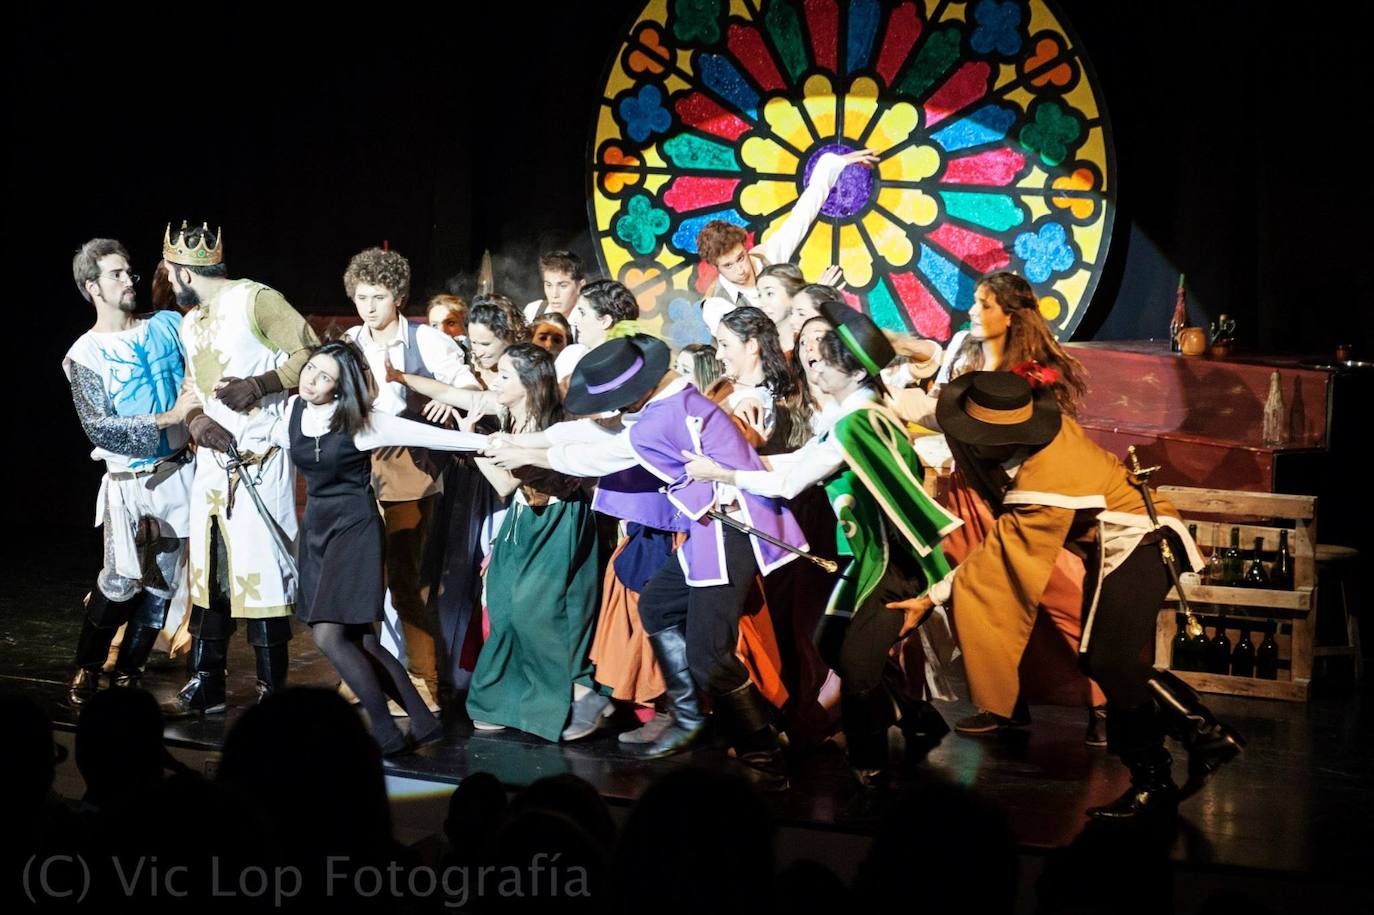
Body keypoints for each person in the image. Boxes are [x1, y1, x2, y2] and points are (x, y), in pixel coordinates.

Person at [890, 372, 1245, 818]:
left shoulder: (1046, 479)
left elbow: (994, 558)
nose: (970, 444)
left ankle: (1159, 775)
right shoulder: (1039, 437)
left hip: (1142, 542)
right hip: (1125, 542)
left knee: (1107, 661)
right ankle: (1201, 736)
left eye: (976, 437)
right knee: (1102, 659)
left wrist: (929, 599)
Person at [484, 336, 806, 787]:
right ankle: (690, 716)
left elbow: (599, 453)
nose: (604, 410)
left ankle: (763, 756)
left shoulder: (663, 419)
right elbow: (595, 434)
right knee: (657, 605)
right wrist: (530, 441)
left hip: (732, 528)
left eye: (609, 402)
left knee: (710, 653)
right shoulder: (668, 401)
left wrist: (526, 452)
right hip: (708, 527)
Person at [685, 304, 961, 792]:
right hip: (868, 554)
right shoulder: (853, 414)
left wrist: (722, 473)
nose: (812, 365)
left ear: (853, 370)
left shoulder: (857, 424)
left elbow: (792, 481)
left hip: (886, 559)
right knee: (831, 642)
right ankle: (915, 718)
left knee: (853, 665)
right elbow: (799, 460)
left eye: (824, 362)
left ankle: (870, 773)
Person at [265, 340, 484, 754]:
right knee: (361, 641)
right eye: (311, 369)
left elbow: (423, 435)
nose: (312, 379)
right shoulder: (291, 412)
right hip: (316, 532)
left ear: (339, 386)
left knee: (330, 637)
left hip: (354, 531)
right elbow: (254, 431)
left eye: (325, 376)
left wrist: (481, 443)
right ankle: (424, 723)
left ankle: (385, 732)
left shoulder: (362, 422)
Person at [921, 272, 1105, 744]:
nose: (972, 313)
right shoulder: (967, 354)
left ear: (1010, 314)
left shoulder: (1037, 370)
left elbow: (1044, 442)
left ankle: (1102, 702)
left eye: (984, 305)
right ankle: (1003, 703)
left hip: (1029, 499)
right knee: (982, 604)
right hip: (966, 494)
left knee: (1057, 597)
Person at [161, 222, 318, 716]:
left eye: (169, 272)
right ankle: (208, 682)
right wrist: (197, 418)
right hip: (211, 465)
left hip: (258, 461)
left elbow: (314, 353)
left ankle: (274, 693)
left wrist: (263, 383)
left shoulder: (257, 300)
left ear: (184, 271)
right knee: (211, 576)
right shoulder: (190, 321)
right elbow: (190, 387)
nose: (166, 278)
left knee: (262, 576)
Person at [411, 345, 601, 740]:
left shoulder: (548, 425)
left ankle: (567, 701)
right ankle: (499, 702)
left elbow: (502, 483)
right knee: (501, 604)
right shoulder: (509, 411)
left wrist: (469, 441)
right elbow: (453, 394)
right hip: (522, 519)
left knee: (537, 613)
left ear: (527, 385)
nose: (494, 381)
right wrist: (399, 377)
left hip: (555, 521)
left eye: (503, 376)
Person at [63, 238, 198, 706]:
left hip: (179, 473)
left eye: (128, 272)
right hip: (129, 482)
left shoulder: (166, 325)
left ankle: (129, 672)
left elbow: (198, 367)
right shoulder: (84, 354)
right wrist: (169, 418)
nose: (128, 280)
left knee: (163, 584)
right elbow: (100, 428)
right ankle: (87, 666)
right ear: (91, 286)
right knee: (120, 581)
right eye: (116, 274)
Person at [342, 246, 470, 711]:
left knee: (405, 576)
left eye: (377, 296)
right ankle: (367, 671)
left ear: (396, 295)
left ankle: (424, 681)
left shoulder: (426, 342)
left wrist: (448, 399)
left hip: (409, 467)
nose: (368, 307)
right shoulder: (351, 342)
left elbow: (469, 385)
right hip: (358, 468)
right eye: (360, 297)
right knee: (362, 577)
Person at [696, 148, 877, 332]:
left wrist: (833, 164)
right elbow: (756, 340)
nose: (740, 269)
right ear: (715, 267)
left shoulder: (767, 258)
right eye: (728, 266)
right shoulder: (716, 305)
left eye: (741, 257)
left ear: (745, 246)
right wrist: (812, 298)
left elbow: (803, 213)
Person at [559, 278, 640, 384]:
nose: (574, 321)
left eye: (582, 313)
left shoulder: (631, 365)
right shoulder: (570, 355)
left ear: (605, 321)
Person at [523, 250, 586, 325]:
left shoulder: (590, 319)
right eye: (549, 285)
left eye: (563, 286)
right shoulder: (532, 311)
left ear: (581, 286)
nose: (554, 294)